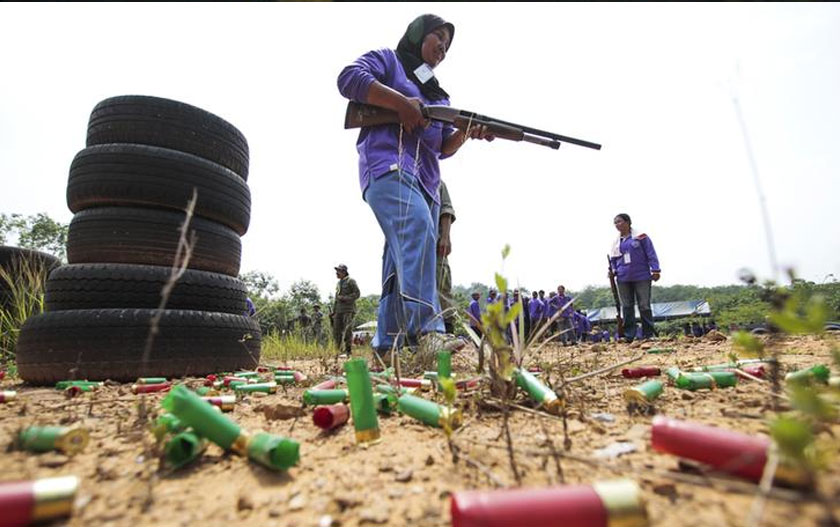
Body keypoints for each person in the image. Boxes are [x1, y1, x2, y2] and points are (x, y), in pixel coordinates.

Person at [337, 13, 493, 357]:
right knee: (418, 228)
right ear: (418, 35)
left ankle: (387, 345)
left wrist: (466, 132)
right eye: (439, 38)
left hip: (427, 183)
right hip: (388, 164)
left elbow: (442, 147)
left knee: (399, 262)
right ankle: (427, 332)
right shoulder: (388, 60)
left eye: (448, 45)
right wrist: (400, 104)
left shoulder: (440, 96)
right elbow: (349, 78)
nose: (444, 48)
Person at [608, 213, 661, 342]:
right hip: (623, 277)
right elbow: (614, 260)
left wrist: (655, 269)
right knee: (627, 306)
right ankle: (629, 335)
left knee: (644, 305)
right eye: (615, 223)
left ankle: (648, 334)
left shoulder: (641, 237)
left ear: (627, 222)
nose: (617, 225)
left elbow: (650, 253)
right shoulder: (616, 242)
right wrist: (613, 270)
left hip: (641, 276)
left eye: (619, 221)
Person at [436, 179, 457, 334]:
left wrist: (445, 237)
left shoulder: (437, 182)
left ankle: (448, 330)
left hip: (435, 246)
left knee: (442, 287)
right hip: (410, 248)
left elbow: (446, 210)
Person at [332, 264, 361, 357]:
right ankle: (338, 351)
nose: (336, 273)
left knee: (348, 331)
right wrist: (333, 311)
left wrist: (345, 298)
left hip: (348, 310)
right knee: (337, 331)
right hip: (338, 311)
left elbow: (357, 294)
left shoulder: (350, 281)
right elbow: (336, 299)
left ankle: (348, 351)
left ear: (344, 272)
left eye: (338, 271)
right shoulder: (338, 283)